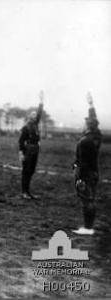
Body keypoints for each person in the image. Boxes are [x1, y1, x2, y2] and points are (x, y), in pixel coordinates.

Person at [72, 92, 102, 235]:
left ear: (88, 126)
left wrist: (79, 178)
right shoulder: (96, 136)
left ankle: (88, 228)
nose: (82, 124)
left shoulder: (85, 141)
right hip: (94, 172)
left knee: (86, 200)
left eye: (85, 123)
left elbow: (82, 163)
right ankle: (89, 226)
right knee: (91, 199)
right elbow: (95, 122)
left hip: (86, 173)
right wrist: (91, 105)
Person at [18, 91, 44, 199]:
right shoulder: (26, 127)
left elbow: (39, 113)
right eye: (32, 115)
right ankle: (24, 192)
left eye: (35, 115)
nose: (35, 116)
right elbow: (20, 141)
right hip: (28, 149)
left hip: (35, 149)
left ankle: (28, 191)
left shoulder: (35, 125)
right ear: (29, 117)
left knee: (31, 170)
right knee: (26, 170)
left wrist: (41, 101)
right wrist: (21, 153)